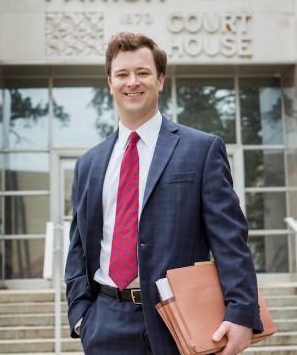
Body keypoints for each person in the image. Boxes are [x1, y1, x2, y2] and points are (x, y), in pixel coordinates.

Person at [65, 32, 263, 355]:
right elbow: (78, 248)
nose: (133, 82)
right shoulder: (88, 165)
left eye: (142, 73)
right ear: (110, 83)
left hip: (179, 322)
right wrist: (81, 316)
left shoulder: (202, 150)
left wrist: (241, 312)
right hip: (104, 323)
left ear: (160, 80)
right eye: (122, 74)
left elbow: (230, 239)